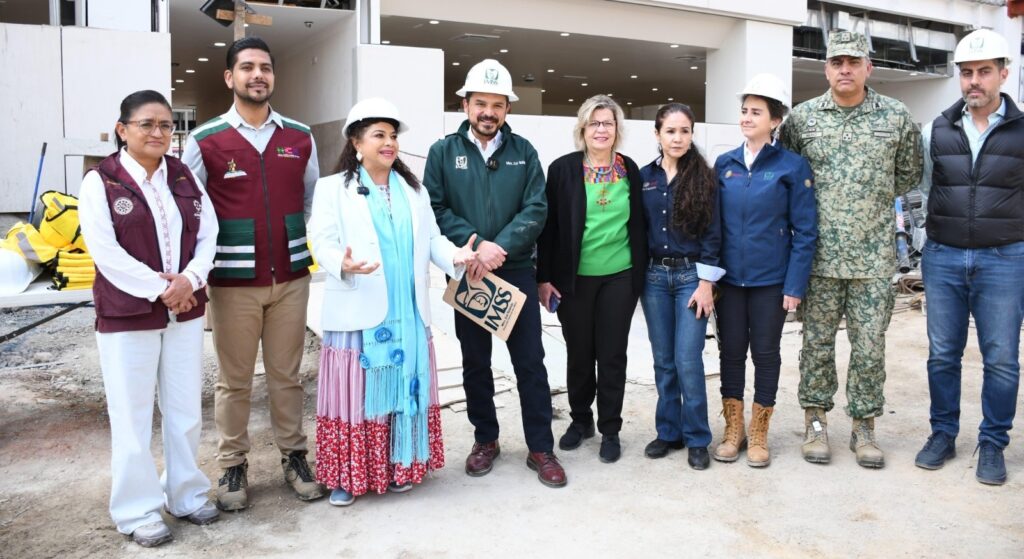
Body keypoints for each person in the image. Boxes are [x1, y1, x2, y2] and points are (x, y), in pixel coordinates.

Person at [308, 98, 475, 505]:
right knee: (356, 394)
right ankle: (350, 475)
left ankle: (402, 465)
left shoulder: (413, 191)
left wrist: (454, 255)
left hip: (409, 311)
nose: (389, 142)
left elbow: (432, 238)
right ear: (356, 142)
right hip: (358, 311)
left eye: (393, 135)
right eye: (379, 135)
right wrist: (341, 263)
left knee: (406, 388)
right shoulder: (333, 189)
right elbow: (321, 238)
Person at [181, 36, 323, 510]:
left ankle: (295, 457)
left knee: (287, 376)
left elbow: (309, 201)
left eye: (265, 66)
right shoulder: (204, 140)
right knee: (234, 379)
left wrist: (288, 241)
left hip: (291, 278)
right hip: (233, 282)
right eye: (247, 67)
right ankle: (232, 466)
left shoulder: (300, 136)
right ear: (230, 77)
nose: (257, 74)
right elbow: (190, 211)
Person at [79, 90, 219, 547]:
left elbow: (208, 233)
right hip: (128, 313)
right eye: (147, 124)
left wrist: (191, 279)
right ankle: (136, 510)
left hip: (185, 309)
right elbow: (105, 252)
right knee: (132, 414)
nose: (159, 133)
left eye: (166, 125)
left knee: (183, 409)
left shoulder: (182, 176)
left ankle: (185, 493)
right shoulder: (102, 181)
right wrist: (166, 288)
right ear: (123, 130)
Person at [780, 30, 922, 468]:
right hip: (818, 259)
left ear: (868, 68)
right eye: (837, 62)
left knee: (868, 348)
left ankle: (864, 427)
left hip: (873, 259)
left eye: (853, 62)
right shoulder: (802, 120)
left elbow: (908, 175)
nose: (845, 69)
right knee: (816, 344)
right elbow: (787, 177)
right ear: (825, 68)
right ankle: (817, 422)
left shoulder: (896, 116)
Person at [425, 58, 567, 487]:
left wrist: (499, 247)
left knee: (530, 363)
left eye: (497, 104)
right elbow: (434, 207)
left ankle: (541, 447)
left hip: (516, 272)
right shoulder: (443, 152)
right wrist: (474, 243)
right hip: (467, 273)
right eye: (480, 103)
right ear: (465, 104)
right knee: (475, 363)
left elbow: (536, 209)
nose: (489, 111)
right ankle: (485, 439)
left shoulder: (524, 153)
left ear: (508, 108)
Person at [914, 29, 1024, 485]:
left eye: (983, 72)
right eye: (966, 73)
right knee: (943, 354)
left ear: (1003, 73)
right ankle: (943, 433)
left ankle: (993, 442)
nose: (974, 81)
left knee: (1000, 356)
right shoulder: (934, 130)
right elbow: (924, 188)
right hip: (943, 257)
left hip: (1005, 259)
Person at [713, 74, 817, 467]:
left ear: (775, 120)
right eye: (743, 111)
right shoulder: (725, 164)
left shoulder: (792, 166)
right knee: (730, 353)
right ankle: (733, 428)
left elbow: (806, 231)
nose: (746, 117)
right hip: (730, 281)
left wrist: (794, 285)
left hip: (771, 281)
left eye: (756, 112)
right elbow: (713, 227)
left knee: (766, 354)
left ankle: (759, 431)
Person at [537, 95, 648, 464]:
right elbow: (549, 229)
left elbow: (639, 223)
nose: (601, 129)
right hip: (575, 280)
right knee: (580, 354)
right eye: (594, 123)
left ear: (618, 130)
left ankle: (611, 429)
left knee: (613, 355)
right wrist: (545, 278)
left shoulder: (630, 169)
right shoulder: (563, 169)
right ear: (582, 129)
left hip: (620, 276)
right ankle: (581, 420)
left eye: (608, 123)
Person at [639, 103, 723, 470]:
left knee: (688, 360)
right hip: (654, 279)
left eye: (684, 131)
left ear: (692, 134)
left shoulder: (705, 178)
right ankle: (668, 431)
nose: (677, 138)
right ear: (657, 134)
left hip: (691, 277)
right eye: (670, 131)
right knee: (663, 361)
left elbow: (714, 234)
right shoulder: (643, 177)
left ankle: (697, 437)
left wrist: (707, 283)